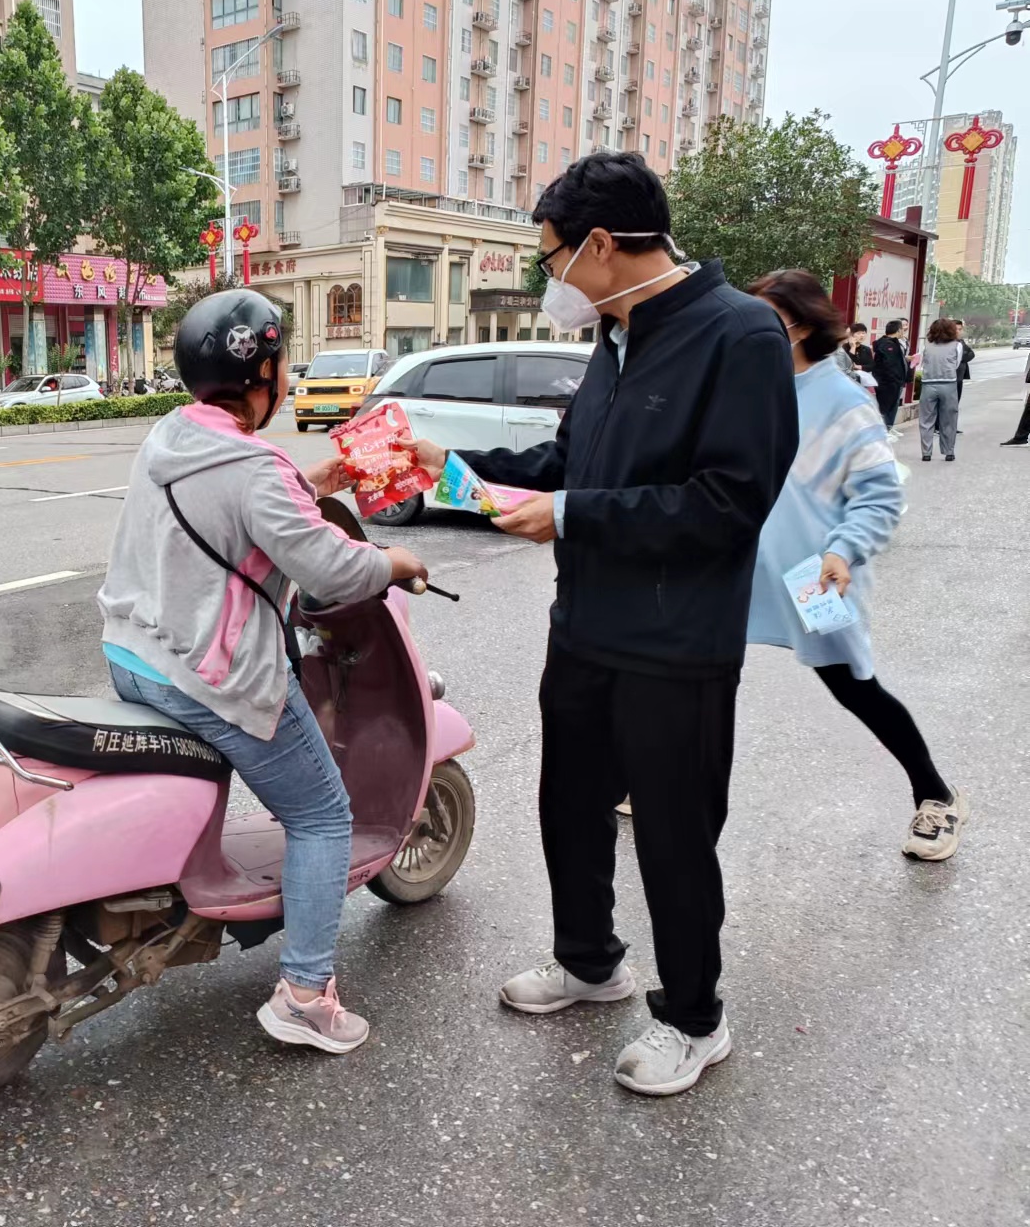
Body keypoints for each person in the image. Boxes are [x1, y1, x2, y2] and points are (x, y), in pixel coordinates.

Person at [404, 152, 797, 1097]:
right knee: (569, 811)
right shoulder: (615, 339)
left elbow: (729, 503)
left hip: (676, 645)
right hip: (583, 628)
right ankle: (589, 961)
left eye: (552, 259)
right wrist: (446, 465)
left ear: (603, 245)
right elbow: (567, 459)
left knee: (672, 833)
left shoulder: (738, 334)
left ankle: (697, 1018)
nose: (551, 281)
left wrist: (576, 516)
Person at [96, 288, 426, 1055]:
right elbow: (328, 569)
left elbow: (235, 502)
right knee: (321, 815)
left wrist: (312, 483)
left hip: (132, 658)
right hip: (208, 675)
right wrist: (398, 560)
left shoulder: (170, 435)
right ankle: (306, 996)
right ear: (265, 373)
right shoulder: (254, 465)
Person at [744, 271, 965, 860]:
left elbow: (880, 491)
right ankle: (645, 779)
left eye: (768, 319)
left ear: (804, 326)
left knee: (853, 687)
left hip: (811, 576)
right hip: (737, 570)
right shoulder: (747, 389)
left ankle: (936, 797)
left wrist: (842, 549)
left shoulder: (841, 399)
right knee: (697, 673)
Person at [918, 317, 962, 461]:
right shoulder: (957, 345)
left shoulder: (926, 345)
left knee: (926, 420)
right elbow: (956, 364)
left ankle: (926, 453)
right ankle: (949, 451)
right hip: (948, 384)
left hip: (928, 384)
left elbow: (922, 363)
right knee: (949, 419)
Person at [872, 320, 910, 434]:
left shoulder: (893, 342)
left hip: (895, 381)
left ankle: (888, 428)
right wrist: (896, 379)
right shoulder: (887, 344)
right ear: (898, 330)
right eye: (902, 329)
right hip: (888, 382)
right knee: (885, 407)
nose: (903, 332)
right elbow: (889, 365)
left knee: (892, 406)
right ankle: (883, 431)